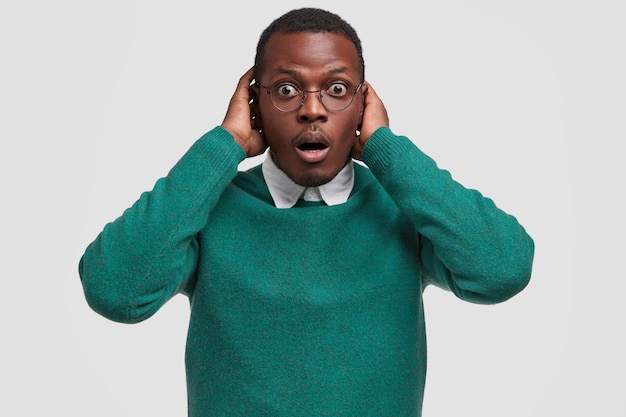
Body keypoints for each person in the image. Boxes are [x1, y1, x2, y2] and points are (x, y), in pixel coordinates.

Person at [79, 7, 534, 417]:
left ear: (362, 103)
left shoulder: (403, 208)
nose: (312, 109)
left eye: (337, 89)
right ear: (255, 103)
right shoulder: (208, 208)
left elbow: (502, 269)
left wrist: (387, 151)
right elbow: (115, 290)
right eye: (287, 89)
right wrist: (223, 147)